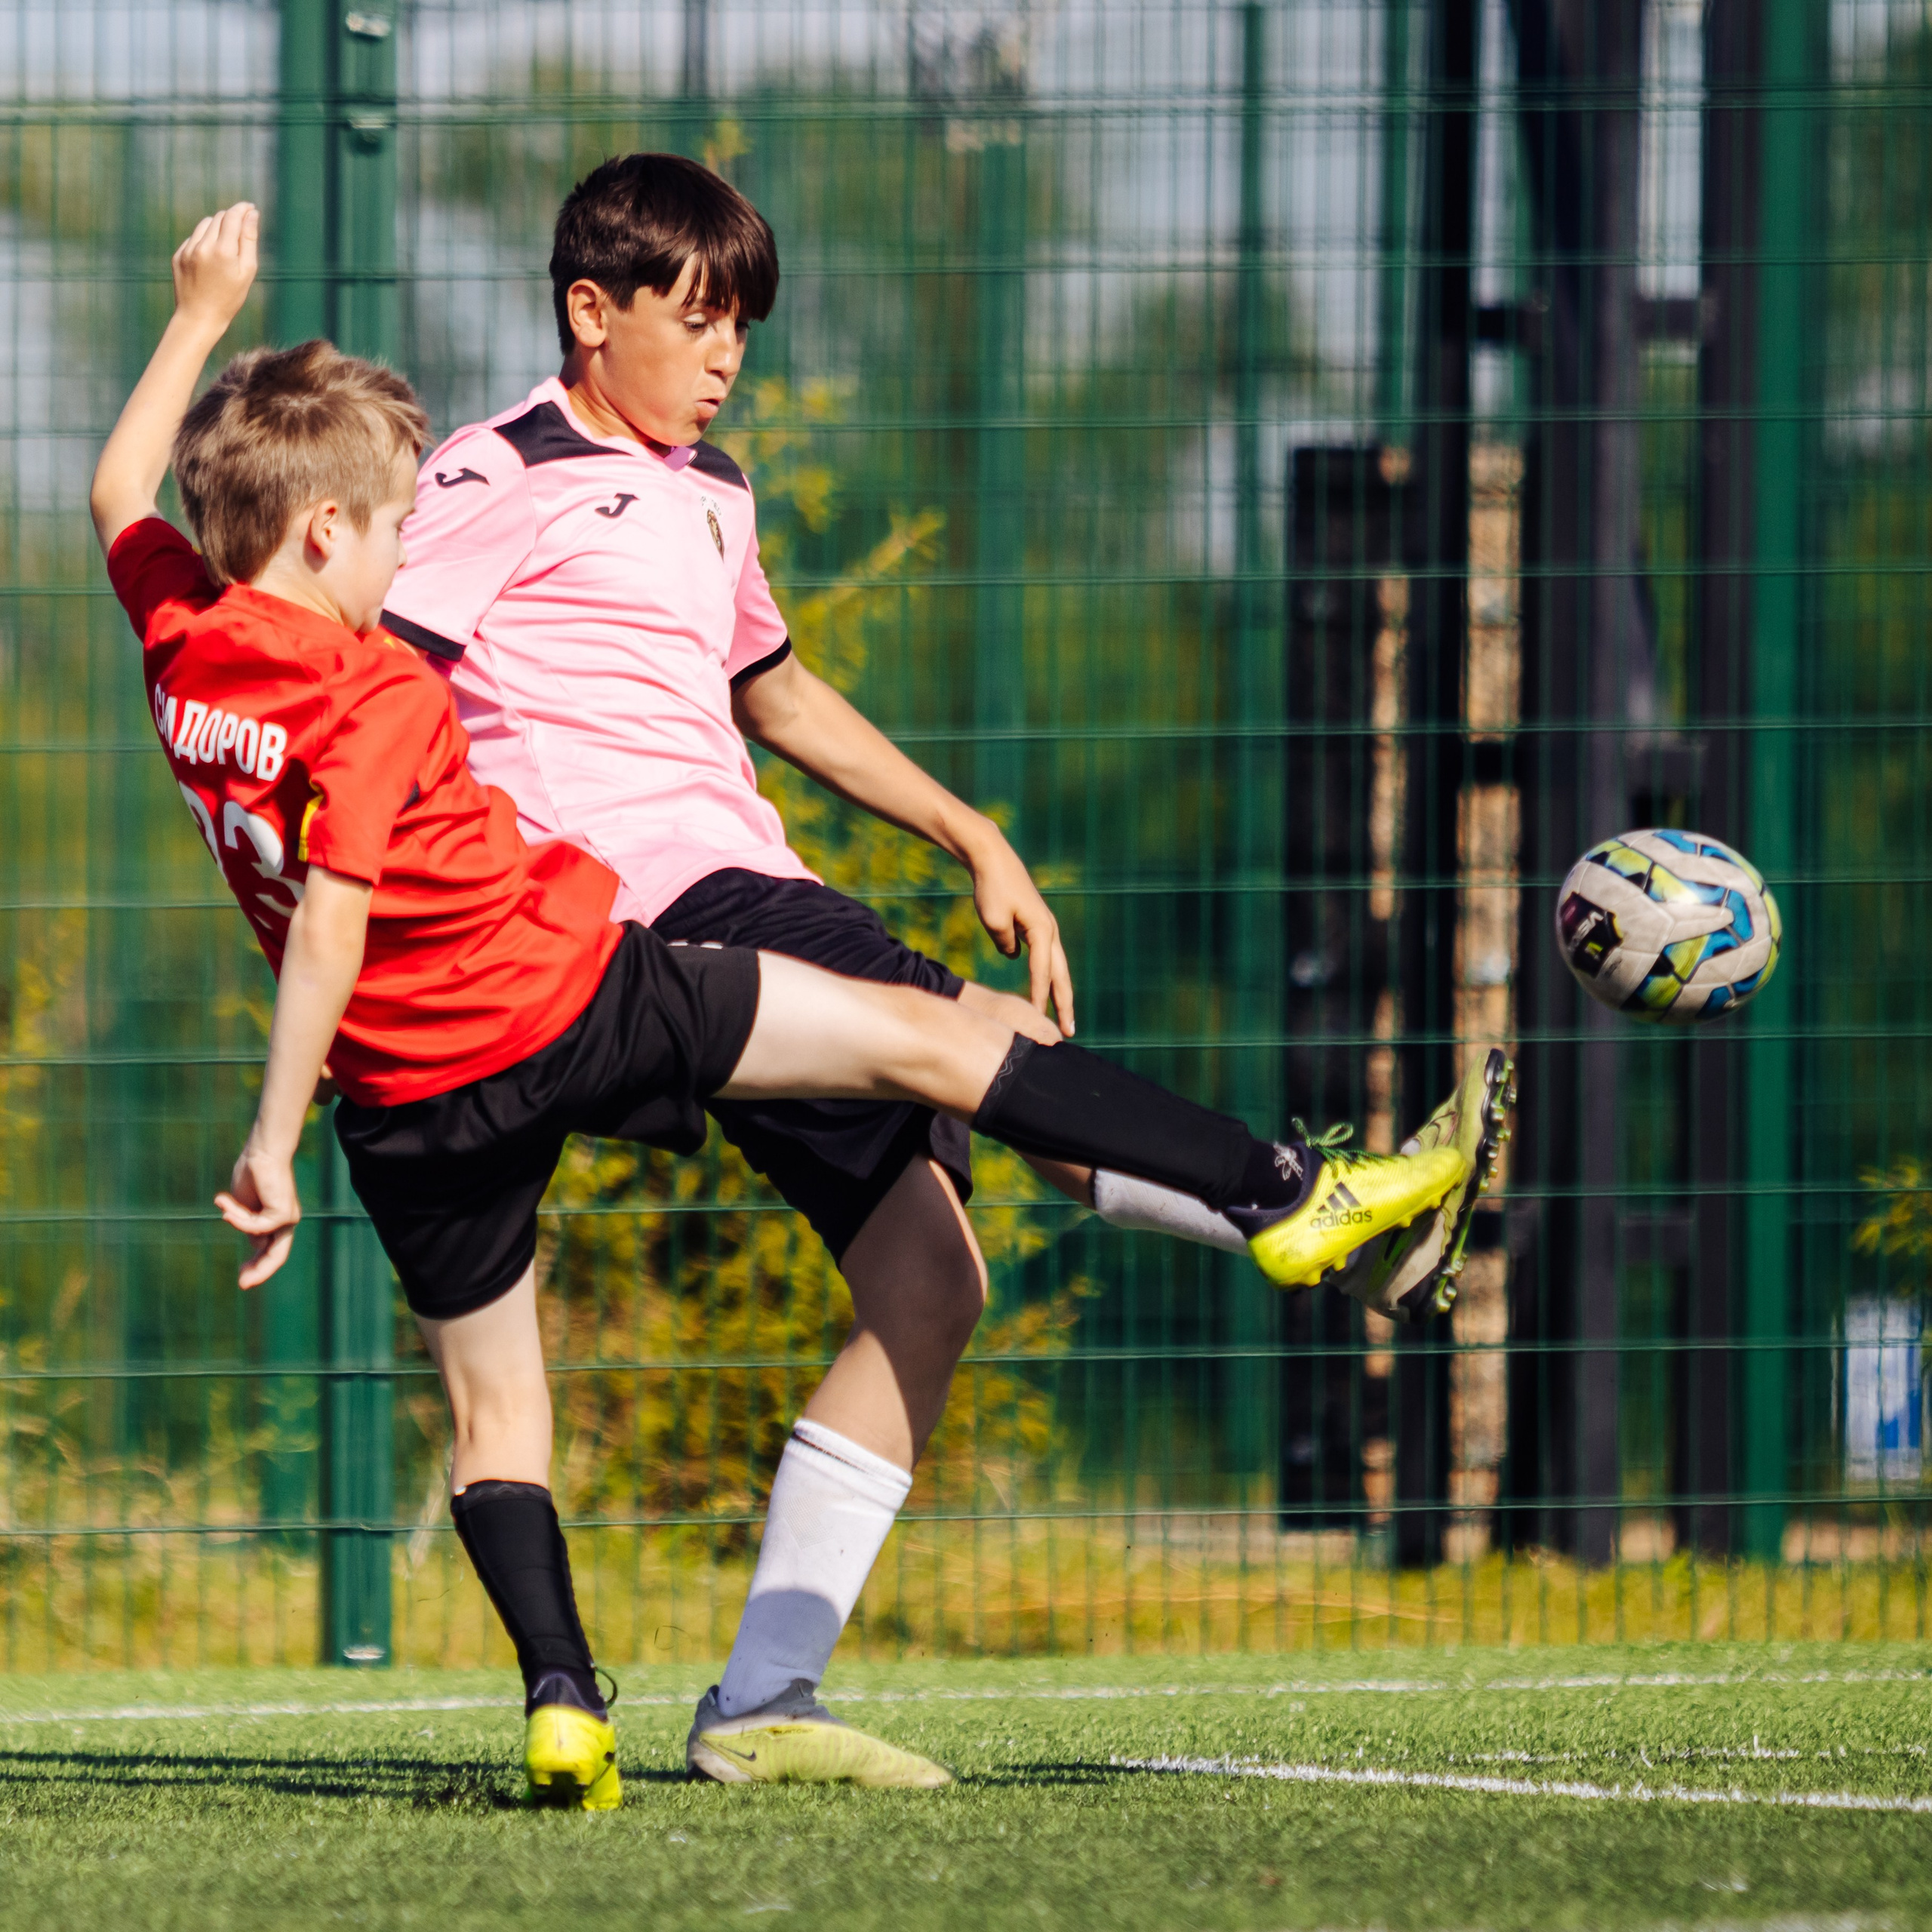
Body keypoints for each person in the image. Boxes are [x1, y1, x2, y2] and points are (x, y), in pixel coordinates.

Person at [90, 204, 1509, 1806]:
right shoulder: (481, 493)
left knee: (926, 1277)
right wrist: (436, 893)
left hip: (433, 1060)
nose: (725, 356)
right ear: (590, 311)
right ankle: (1294, 1195)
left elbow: (760, 684)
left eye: (742, 327)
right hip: (629, 920)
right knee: (967, 1042)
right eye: (697, 318)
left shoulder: (660, 504)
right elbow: (373, 715)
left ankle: (713, 1697)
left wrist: (963, 826)